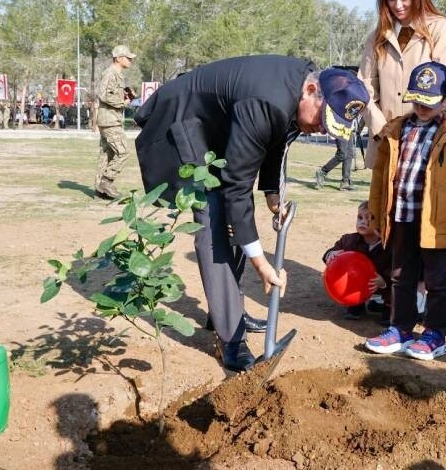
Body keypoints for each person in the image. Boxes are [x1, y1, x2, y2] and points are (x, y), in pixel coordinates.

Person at [134, 56, 369, 373]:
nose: (321, 128)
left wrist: (272, 192)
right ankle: (230, 337)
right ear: (312, 90)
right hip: (184, 122)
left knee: (234, 219)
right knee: (214, 224)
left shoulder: (296, 90)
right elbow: (236, 187)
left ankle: (227, 310)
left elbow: (278, 136)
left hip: (215, 132)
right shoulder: (267, 100)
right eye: (323, 119)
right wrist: (261, 264)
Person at [364, 61, 446, 360]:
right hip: (401, 217)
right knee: (400, 276)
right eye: (417, 100)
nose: (421, 107)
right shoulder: (395, 130)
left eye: (429, 102)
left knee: (437, 280)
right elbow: (380, 177)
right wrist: (376, 212)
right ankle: (400, 329)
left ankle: (436, 334)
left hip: (435, 221)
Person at [359, 0, 446, 169]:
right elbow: (364, 89)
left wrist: (419, 132)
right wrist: (383, 130)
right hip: (384, 147)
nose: (398, 5)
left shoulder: (440, 30)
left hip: (426, 146)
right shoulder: (376, 37)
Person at [323, 201, 392, 322]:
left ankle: (389, 308)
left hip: (382, 281)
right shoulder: (348, 240)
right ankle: (356, 305)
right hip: (357, 284)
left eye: (370, 218)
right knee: (352, 292)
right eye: (360, 217)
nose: (363, 222)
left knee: (395, 288)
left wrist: (384, 281)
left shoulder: (389, 245)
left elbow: (396, 268)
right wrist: (330, 255)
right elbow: (330, 253)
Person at [94, 45, 134, 199]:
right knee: (123, 152)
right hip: (110, 120)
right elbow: (104, 95)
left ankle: (100, 190)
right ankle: (107, 181)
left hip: (110, 119)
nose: (130, 60)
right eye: (128, 57)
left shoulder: (116, 74)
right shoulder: (111, 73)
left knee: (107, 154)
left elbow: (110, 93)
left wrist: (126, 96)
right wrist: (122, 102)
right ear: (118, 58)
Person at [314, 116, 358, 190]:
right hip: (339, 126)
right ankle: (322, 172)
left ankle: (345, 182)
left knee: (349, 154)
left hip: (349, 126)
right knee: (342, 154)